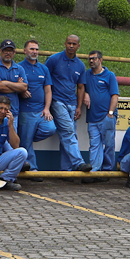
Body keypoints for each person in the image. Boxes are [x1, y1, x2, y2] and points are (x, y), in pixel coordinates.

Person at [45, 34, 91, 172]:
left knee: (69, 135)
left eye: (74, 44)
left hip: (72, 103)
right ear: (65, 43)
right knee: (68, 132)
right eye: (69, 43)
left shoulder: (80, 65)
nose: (71, 46)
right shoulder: (53, 60)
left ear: (78, 46)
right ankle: (78, 163)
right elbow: (45, 80)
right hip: (57, 101)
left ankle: (66, 171)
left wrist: (78, 106)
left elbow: (81, 86)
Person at [17, 38, 55, 170]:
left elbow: (48, 90)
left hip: (41, 111)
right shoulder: (18, 67)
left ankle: (27, 137)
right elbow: (14, 87)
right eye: (32, 49)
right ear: (24, 50)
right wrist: (21, 91)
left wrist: (47, 108)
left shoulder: (43, 69)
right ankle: (32, 169)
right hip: (25, 111)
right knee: (25, 143)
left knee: (50, 128)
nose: (34, 52)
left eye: (37, 49)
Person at [84, 49, 120, 171]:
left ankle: (107, 170)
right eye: (89, 58)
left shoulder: (109, 75)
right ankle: (94, 171)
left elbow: (115, 95)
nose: (91, 61)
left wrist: (110, 113)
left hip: (107, 117)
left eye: (94, 58)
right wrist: (85, 94)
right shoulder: (87, 74)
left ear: (100, 60)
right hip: (92, 117)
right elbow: (80, 87)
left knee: (109, 145)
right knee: (94, 145)